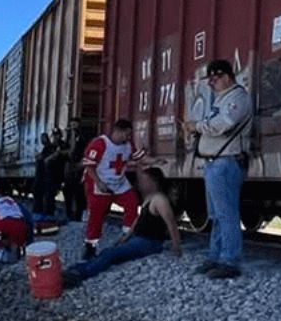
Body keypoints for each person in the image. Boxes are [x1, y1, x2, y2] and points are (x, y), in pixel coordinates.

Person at [185, 59, 251, 280]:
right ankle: (216, 256)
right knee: (217, 215)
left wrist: (197, 126)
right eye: (210, 79)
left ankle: (230, 260)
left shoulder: (238, 98)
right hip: (214, 163)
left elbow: (225, 124)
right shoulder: (222, 99)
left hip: (226, 161)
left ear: (226, 76)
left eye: (215, 78)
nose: (211, 83)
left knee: (227, 214)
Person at [63, 169, 183, 286]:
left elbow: (171, 223)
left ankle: (80, 274)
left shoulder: (160, 199)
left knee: (111, 254)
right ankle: (75, 269)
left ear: (154, 182)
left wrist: (176, 246)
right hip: (139, 239)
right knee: (109, 252)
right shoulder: (149, 198)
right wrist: (126, 237)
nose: (140, 183)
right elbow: (138, 220)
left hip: (149, 242)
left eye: (144, 180)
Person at [82, 118, 140, 261]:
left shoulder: (128, 145)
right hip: (100, 184)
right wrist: (99, 182)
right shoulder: (99, 144)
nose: (128, 137)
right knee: (96, 215)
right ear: (118, 131)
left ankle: (127, 237)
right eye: (126, 134)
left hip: (119, 183)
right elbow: (89, 165)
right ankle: (90, 246)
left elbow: (138, 157)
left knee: (132, 203)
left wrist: (154, 161)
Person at [0, 195, 34, 264]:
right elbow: (29, 219)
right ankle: (16, 257)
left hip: (4, 224)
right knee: (14, 242)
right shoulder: (12, 201)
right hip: (20, 225)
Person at [63, 119, 87, 223]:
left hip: (78, 166)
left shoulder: (82, 136)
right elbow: (67, 149)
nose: (73, 127)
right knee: (68, 191)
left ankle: (78, 215)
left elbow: (84, 149)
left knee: (78, 192)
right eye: (71, 124)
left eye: (74, 124)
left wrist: (82, 163)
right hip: (70, 166)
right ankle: (70, 214)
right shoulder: (69, 136)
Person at [33, 132, 57, 216]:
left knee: (46, 194)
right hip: (44, 175)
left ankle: (45, 211)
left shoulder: (50, 148)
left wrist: (39, 157)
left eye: (43, 138)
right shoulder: (46, 148)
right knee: (42, 193)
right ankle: (42, 210)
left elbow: (46, 159)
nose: (42, 140)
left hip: (46, 175)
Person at [48, 127, 68, 220]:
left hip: (60, 172)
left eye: (57, 135)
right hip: (51, 173)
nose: (56, 137)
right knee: (50, 194)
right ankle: (50, 212)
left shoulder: (63, 145)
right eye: (54, 135)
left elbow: (67, 156)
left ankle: (66, 213)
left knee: (64, 193)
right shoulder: (51, 146)